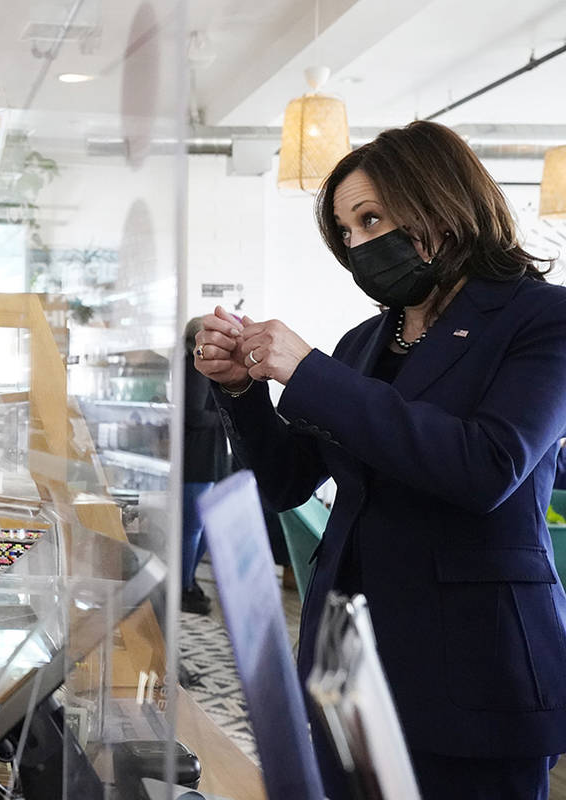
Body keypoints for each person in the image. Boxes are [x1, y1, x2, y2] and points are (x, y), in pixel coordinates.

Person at [193, 120, 566, 798]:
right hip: (347, 655)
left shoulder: (541, 319)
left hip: (473, 666)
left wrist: (309, 371)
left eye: (371, 219)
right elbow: (287, 481)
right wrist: (242, 393)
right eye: (346, 232)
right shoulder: (366, 340)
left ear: (442, 203)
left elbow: (486, 466)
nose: (359, 243)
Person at [181, 317, 229, 615]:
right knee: (193, 529)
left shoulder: (201, 369)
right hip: (196, 460)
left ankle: (188, 582)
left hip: (207, 459)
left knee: (201, 529)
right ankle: (184, 587)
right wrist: (227, 415)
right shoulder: (194, 370)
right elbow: (194, 415)